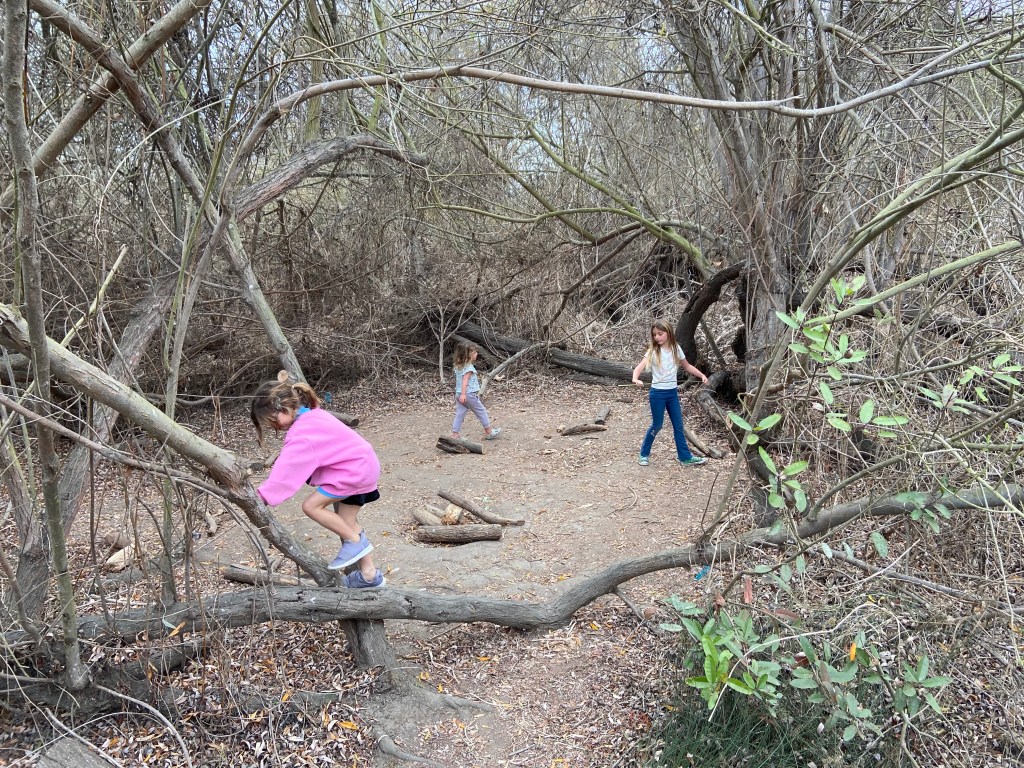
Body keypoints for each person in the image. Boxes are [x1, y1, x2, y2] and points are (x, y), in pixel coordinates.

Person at [251, 371, 385, 588]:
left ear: (283, 409)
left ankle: (354, 541)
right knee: (347, 521)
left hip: (354, 471)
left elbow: (287, 469)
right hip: (364, 465)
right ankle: (370, 575)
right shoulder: (313, 415)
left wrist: (263, 495)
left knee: (311, 506)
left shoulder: (303, 431)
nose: (272, 426)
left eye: (272, 420)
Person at [631, 320, 709, 467]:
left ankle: (685, 457)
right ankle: (644, 454)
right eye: (655, 335)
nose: (657, 337)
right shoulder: (653, 352)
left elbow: (687, 366)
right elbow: (638, 368)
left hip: (672, 394)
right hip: (657, 394)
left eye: (660, 334)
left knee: (678, 426)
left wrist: (701, 375)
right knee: (657, 425)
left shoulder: (675, 349)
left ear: (668, 333)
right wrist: (636, 379)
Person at [451, 341, 502, 441]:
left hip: (459, 394)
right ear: (468, 355)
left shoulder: (459, 366)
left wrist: (461, 394)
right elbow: (465, 381)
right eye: (474, 352)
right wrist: (463, 394)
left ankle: (455, 434)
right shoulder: (469, 367)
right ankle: (489, 431)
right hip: (467, 394)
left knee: (460, 413)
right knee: (481, 410)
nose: (476, 354)